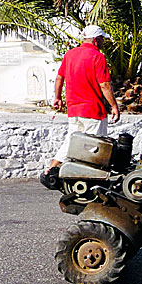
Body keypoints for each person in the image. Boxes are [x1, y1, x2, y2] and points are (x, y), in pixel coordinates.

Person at [41, 25, 120, 187]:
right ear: (96, 40)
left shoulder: (70, 55)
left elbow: (59, 78)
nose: (103, 41)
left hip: (74, 109)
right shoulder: (97, 57)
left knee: (71, 140)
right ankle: (89, 180)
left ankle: (50, 171)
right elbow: (104, 85)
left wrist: (57, 97)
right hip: (93, 109)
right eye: (102, 39)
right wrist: (114, 106)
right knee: (94, 146)